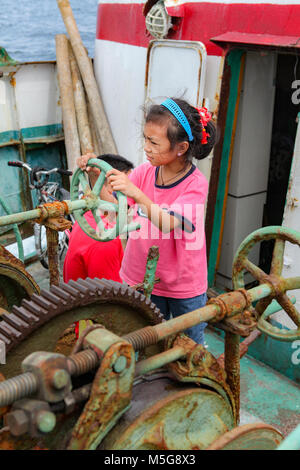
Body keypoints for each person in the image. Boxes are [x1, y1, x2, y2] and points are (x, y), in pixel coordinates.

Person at [105, 98, 216, 345]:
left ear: (181, 147)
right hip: (142, 277)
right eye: (145, 139)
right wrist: (98, 174)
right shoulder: (145, 172)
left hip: (182, 284)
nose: (146, 147)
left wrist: (135, 193)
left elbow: (167, 223)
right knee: (144, 341)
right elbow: (118, 206)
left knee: (189, 346)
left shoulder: (195, 185)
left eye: (154, 142)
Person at [63, 153, 134, 283]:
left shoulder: (86, 218)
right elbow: (110, 296)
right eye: (128, 188)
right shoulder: (105, 240)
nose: (134, 194)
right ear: (108, 188)